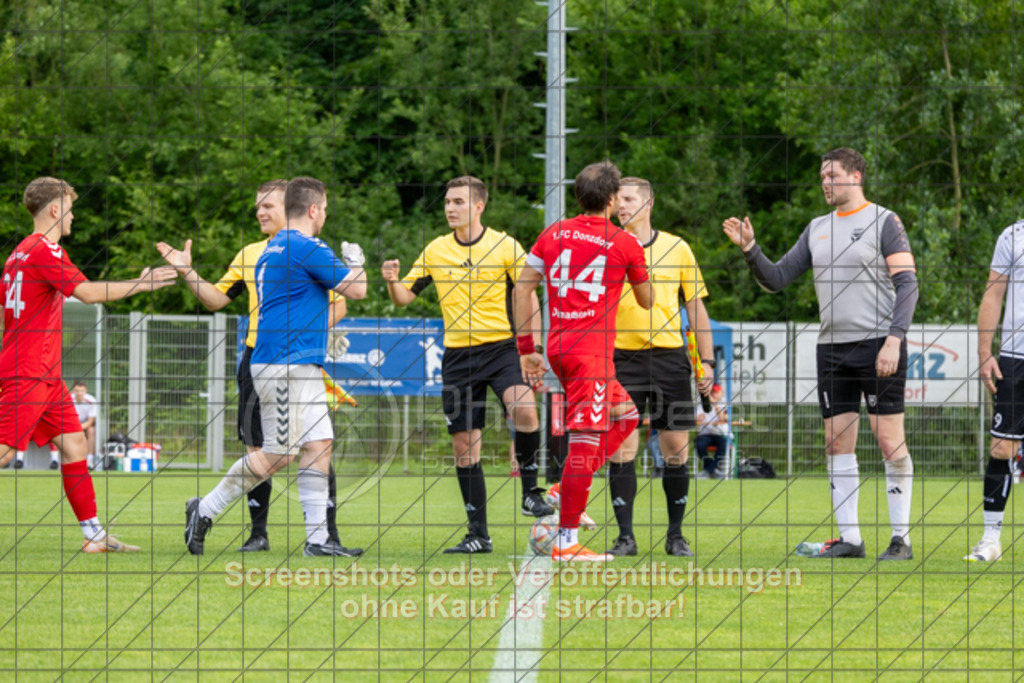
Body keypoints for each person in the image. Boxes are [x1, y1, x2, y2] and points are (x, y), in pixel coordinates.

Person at [723, 147, 918, 561]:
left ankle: (901, 539)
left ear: (856, 175)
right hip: (831, 350)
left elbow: (908, 285)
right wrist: (750, 248)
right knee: (836, 443)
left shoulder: (885, 221)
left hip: (879, 344)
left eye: (832, 174)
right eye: (821, 176)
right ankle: (851, 540)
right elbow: (776, 279)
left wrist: (894, 339)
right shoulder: (817, 228)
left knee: (888, 442)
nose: (825, 182)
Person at [157, 180, 347, 552]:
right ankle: (257, 533)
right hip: (261, 360)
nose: (260, 212)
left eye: (268, 206)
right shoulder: (252, 253)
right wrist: (187, 272)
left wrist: (303, 333)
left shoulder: (308, 249)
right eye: (257, 206)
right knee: (267, 449)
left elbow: (340, 305)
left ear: (291, 206)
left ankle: (322, 538)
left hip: (294, 359)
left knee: (317, 444)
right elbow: (216, 298)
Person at [0, 176, 177, 552]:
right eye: (69, 207)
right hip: (28, 371)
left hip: (44, 373)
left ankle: (94, 536)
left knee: (76, 444)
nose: (73, 216)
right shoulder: (45, 251)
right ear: (54, 209)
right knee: (4, 449)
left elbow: (5, 316)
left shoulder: (17, 254)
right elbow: (88, 293)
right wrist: (142, 283)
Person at [381, 176, 553, 555]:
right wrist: (392, 281)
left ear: (479, 206)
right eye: (447, 202)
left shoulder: (506, 246)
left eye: (458, 202)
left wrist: (533, 347)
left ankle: (530, 493)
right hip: (459, 358)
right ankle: (478, 534)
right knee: (465, 446)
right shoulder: (435, 250)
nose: (450, 208)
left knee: (524, 409)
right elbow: (404, 298)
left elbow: (530, 298)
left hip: (503, 349)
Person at [515, 160, 654, 562]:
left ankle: (563, 490)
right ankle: (566, 540)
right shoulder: (624, 241)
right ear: (612, 200)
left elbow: (523, 289)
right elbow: (646, 301)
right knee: (584, 441)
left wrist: (528, 347)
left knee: (627, 416)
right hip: (590, 352)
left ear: (579, 196)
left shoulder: (554, 233)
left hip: (560, 347)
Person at [604, 177, 714, 558]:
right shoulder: (606, 246)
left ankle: (676, 535)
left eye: (629, 198)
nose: (621, 205)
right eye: (618, 199)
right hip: (621, 361)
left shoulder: (677, 248)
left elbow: (696, 307)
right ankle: (625, 537)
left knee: (676, 451)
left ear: (648, 203)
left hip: (669, 360)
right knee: (622, 447)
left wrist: (708, 361)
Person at [966, 219, 1024, 562]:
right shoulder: (1012, 235)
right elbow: (994, 293)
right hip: (1015, 359)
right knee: (1002, 447)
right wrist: (984, 351)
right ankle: (991, 540)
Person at [695, 383, 729, 479]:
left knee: (723, 444)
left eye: (717, 393)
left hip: (719, 433)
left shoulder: (724, 403)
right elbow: (697, 419)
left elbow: (723, 419)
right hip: (705, 433)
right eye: (713, 392)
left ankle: (708, 471)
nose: (714, 395)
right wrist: (698, 418)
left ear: (721, 393)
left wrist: (716, 405)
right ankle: (713, 471)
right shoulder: (702, 403)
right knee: (699, 445)